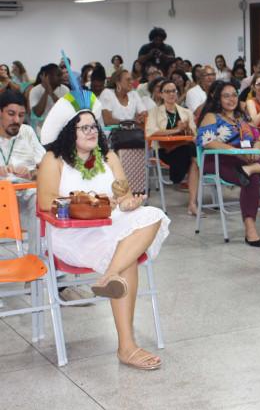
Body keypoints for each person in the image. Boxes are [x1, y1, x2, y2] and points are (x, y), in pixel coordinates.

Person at [38, 85, 170, 370]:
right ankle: (126, 347)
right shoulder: (54, 161)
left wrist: (129, 203)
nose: (91, 131)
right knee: (128, 259)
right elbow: (45, 202)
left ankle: (108, 276)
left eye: (93, 126)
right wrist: (84, 204)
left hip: (109, 227)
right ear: (68, 132)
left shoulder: (109, 158)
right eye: (83, 128)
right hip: (71, 234)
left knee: (153, 213)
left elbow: (121, 196)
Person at [197, 81, 260, 246]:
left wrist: (255, 152)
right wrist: (237, 152)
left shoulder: (242, 116)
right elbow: (208, 142)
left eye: (234, 95)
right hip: (220, 159)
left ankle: (249, 169)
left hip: (247, 159)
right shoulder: (211, 116)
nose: (231, 99)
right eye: (226, 96)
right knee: (252, 178)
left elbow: (258, 138)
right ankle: (250, 228)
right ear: (218, 99)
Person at [146, 79, 200, 215]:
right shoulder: (154, 112)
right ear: (161, 94)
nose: (171, 94)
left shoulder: (185, 112)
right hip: (164, 150)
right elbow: (151, 132)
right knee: (193, 156)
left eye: (174, 91)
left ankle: (192, 203)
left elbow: (194, 134)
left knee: (193, 155)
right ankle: (178, 177)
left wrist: (187, 128)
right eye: (167, 91)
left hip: (184, 148)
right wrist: (175, 130)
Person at [0, 90, 45, 253]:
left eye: (21, 115)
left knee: (39, 201)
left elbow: (46, 168)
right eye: (11, 114)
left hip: (24, 200)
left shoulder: (27, 132)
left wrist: (31, 174)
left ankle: (36, 262)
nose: (16, 120)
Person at [29, 64, 69, 133]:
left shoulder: (65, 89)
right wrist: (46, 91)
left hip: (60, 130)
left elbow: (64, 110)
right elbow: (38, 113)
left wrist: (51, 93)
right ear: (47, 77)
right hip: (41, 131)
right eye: (58, 75)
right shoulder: (35, 90)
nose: (61, 77)